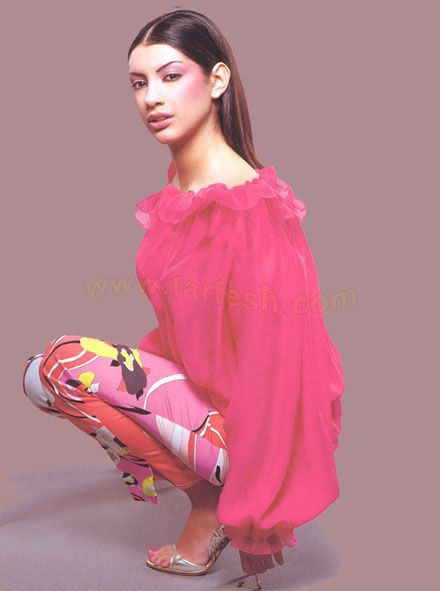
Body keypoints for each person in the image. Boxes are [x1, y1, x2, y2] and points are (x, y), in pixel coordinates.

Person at [21, 8, 344, 588]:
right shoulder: (185, 190)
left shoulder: (249, 208)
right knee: (42, 376)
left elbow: (277, 371)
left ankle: (211, 506)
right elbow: (183, 333)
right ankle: (202, 488)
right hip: (203, 405)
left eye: (171, 77)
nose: (151, 98)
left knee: (63, 363)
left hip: (241, 434)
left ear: (217, 81)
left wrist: (256, 515)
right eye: (138, 83)